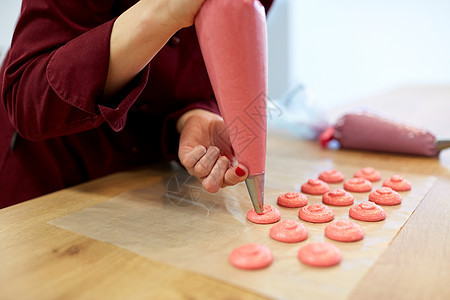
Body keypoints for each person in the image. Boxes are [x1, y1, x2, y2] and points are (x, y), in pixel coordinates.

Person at [0, 0, 273, 208]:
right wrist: (161, 13)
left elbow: (223, 61)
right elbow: (27, 101)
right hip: (51, 187)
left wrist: (196, 113)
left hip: (156, 190)